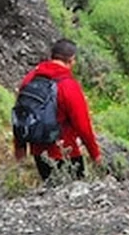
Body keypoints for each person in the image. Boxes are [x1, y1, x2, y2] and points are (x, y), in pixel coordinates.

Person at [14, 38, 100, 182]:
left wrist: (20, 148)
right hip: (66, 153)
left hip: (39, 153)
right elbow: (83, 125)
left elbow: (21, 115)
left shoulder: (30, 78)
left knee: (50, 191)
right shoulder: (68, 85)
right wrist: (95, 154)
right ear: (71, 60)